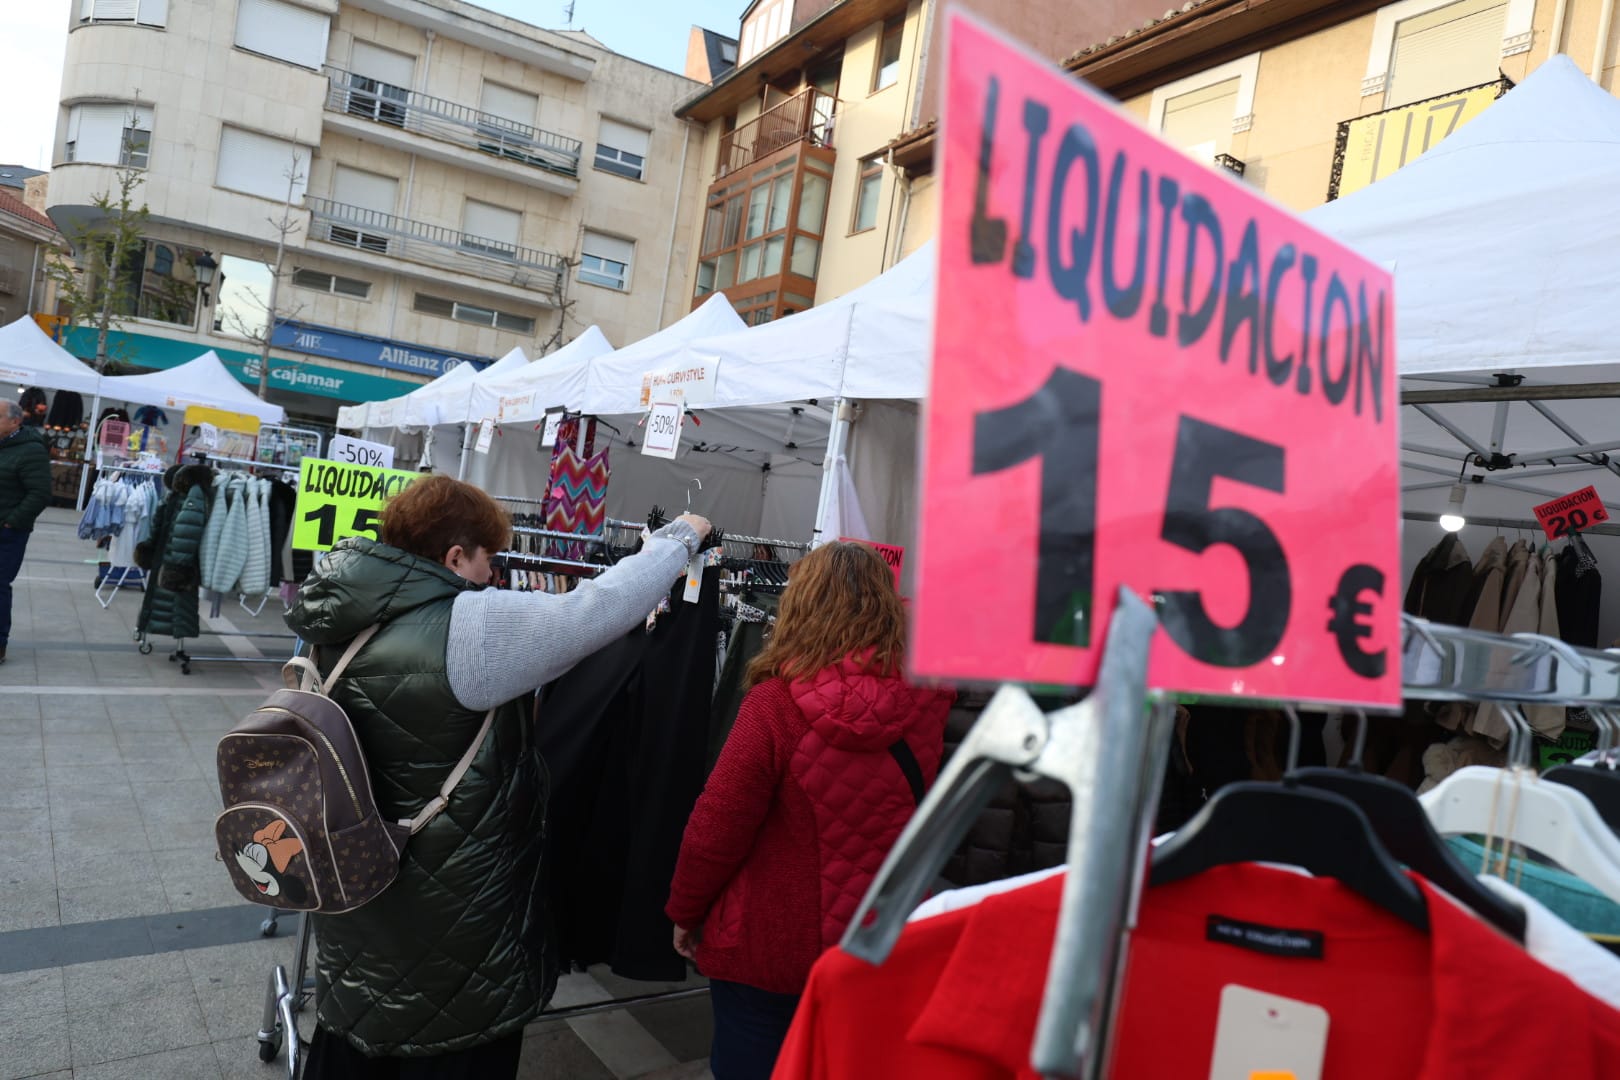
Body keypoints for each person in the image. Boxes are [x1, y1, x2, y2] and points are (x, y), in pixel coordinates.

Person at [284, 475, 711, 1079]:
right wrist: (676, 542)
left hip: (356, 883)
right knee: (446, 1048)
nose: (493, 574)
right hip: (456, 919)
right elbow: (595, 610)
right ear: (456, 556)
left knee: (362, 1030)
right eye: (489, 558)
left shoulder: (338, 609)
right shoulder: (467, 625)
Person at [665, 540, 953, 1080]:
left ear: (799, 606)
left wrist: (686, 911)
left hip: (768, 946)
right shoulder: (930, 701)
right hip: (876, 938)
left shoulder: (773, 705)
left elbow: (715, 828)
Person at [0, 399, 51, 664]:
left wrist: (12, 521)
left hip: (8, 533)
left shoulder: (30, 450)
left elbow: (41, 493)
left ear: (15, 421)